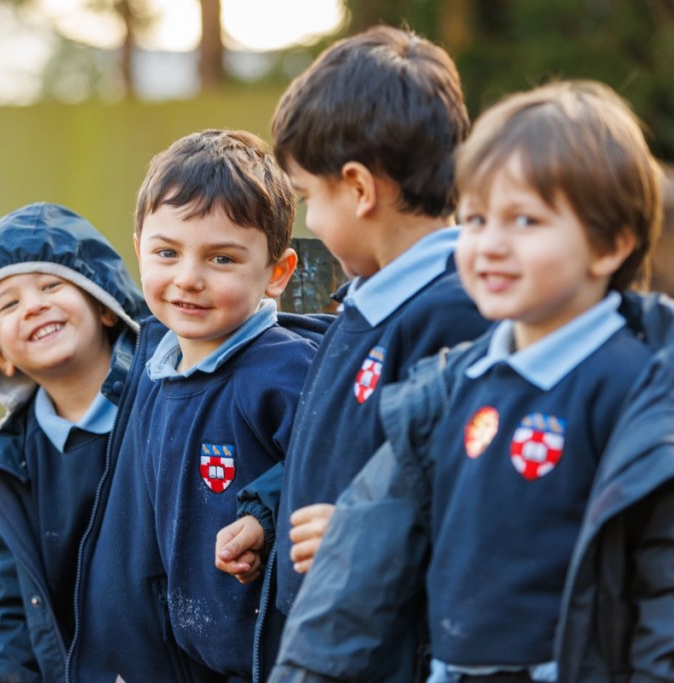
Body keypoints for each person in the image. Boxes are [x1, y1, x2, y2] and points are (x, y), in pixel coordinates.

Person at [273, 80, 674, 683]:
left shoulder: (650, 398)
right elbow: (357, 572)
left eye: (524, 220)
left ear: (611, 245)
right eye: (475, 218)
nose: (490, 245)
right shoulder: (449, 387)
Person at [212, 25, 489, 679]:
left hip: (390, 650)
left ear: (360, 188)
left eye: (309, 197)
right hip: (327, 638)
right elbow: (330, 446)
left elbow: (474, 495)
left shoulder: (456, 315)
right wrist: (267, 513)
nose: (307, 221)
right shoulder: (361, 302)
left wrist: (361, 533)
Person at [68, 129, 330, 682]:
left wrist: (264, 517)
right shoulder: (152, 370)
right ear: (139, 248)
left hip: (275, 660)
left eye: (221, 259)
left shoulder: (283, 371)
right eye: (167, 252)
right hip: (190, 660)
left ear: (277, 274)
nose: (188, 279)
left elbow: (338, 461)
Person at [0, 202, 149, 682]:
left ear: (104, 305)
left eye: (51, 286)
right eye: (9, 304)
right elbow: (9, 613)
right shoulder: (14, 464)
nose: (34, 305)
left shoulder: (166, 402)